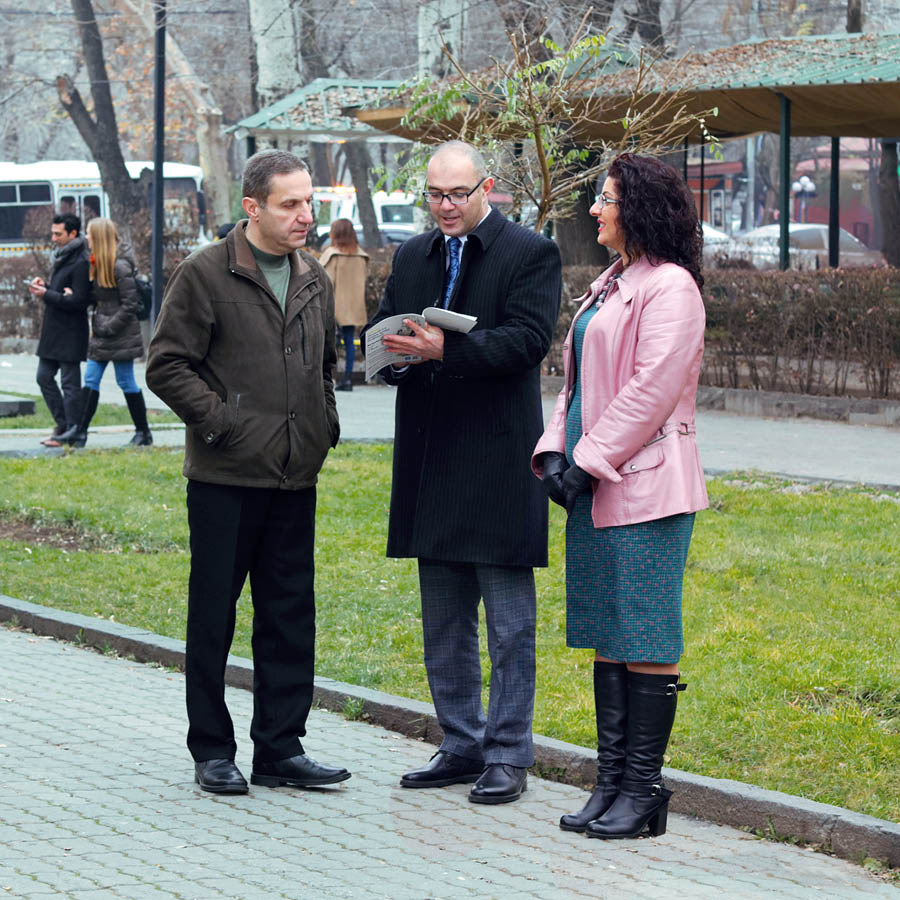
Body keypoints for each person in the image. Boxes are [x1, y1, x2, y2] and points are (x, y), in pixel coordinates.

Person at [146, 149, 348, 795]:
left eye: (309, 202)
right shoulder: (206, 273)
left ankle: (281, 749)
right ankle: (212, 750)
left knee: (291, 615)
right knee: (214, 616)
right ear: (252, 206)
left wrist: (324, 425)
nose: (305, 216)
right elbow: (168, 364)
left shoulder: (313, 275)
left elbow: (324, 367)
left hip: (295, 475)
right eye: (290, 204)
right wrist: (223, 425)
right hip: (226, 477)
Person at [368, 140, 561, 804]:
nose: (445, 207)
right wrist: (391, 353)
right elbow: (385, 325)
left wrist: (446, 348)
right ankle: (460, 741)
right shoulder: (414, 254)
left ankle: (508, 753)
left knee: (510, 624)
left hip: (501, 457)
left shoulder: (528, 253)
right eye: (435, 195)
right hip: (431, 455)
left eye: (457, 194)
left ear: (489, 188)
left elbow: (528, 340)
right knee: (444, 619)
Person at [532, 153, 708, 839]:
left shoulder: (671, 289)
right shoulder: (609, 285)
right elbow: (576, 390)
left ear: (638, 209)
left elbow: (651, 390)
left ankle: (643, 790)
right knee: (609, 632)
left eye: (605, 200)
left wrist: (588, 460)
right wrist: (554, 454)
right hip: (594, 484)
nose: (596, 211)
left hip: (647, 489)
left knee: (646, 632)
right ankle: (610, 785)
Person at [64, 218, 153, 448]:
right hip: (103, 334)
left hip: (118, 334)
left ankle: (143, 432)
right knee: (91, 378)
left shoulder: (119, 267)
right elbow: (101, 299)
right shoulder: (99, 264)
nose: (86, 239)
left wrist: (107, 327)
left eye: (89, 235)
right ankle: (80, 433)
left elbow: (129, 305)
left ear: (100, 238)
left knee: (126, 381)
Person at [28, 214, 91, 447]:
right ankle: (63, 425)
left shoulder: (81, 260)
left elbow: (80, 300)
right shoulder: (63, 256)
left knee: (70, 383)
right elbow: (64, 293)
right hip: (54, 331)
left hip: (71, 332)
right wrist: (47, 288)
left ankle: (73, 430)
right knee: (43, 377)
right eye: (53, 233)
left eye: (58, 234)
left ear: (73, 234)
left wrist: (48, 294)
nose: (53, 238)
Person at [318, 219, 369, 391]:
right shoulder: (360, 256)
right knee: (348, 342)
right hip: (353, 307)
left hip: (332, 307)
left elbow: (325, 281)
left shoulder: (332, 254)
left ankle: (329, 378)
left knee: (328, 343)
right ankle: (347, 378)